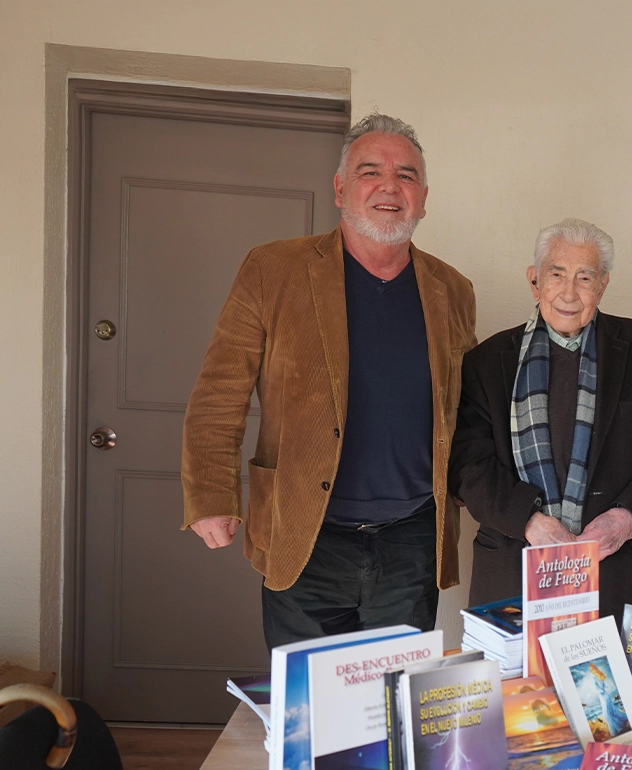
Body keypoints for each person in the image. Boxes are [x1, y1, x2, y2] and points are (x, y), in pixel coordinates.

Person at [181, 113, 476, 649]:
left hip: (411, 539)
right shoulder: (273, 269)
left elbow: (466, 402)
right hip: (303, 532)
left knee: (393, 695)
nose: (389, 186)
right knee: (309, 698)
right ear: (341, 190)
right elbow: (220, 391)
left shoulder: (452, 288)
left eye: (406, 175)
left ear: (423, 199)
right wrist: (209, 493)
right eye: (370, 171)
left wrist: (467, 482)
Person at [449, 218, 632, 619]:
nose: (569, 292)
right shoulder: (487, 362)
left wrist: (626, 519)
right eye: (557, 274)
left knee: (615, 664)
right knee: (521, 666)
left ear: (602, 285)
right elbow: (467, 462)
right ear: (535, 281)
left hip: (616, 569)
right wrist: (528, 521)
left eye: (585, 278)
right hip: (514, 567)